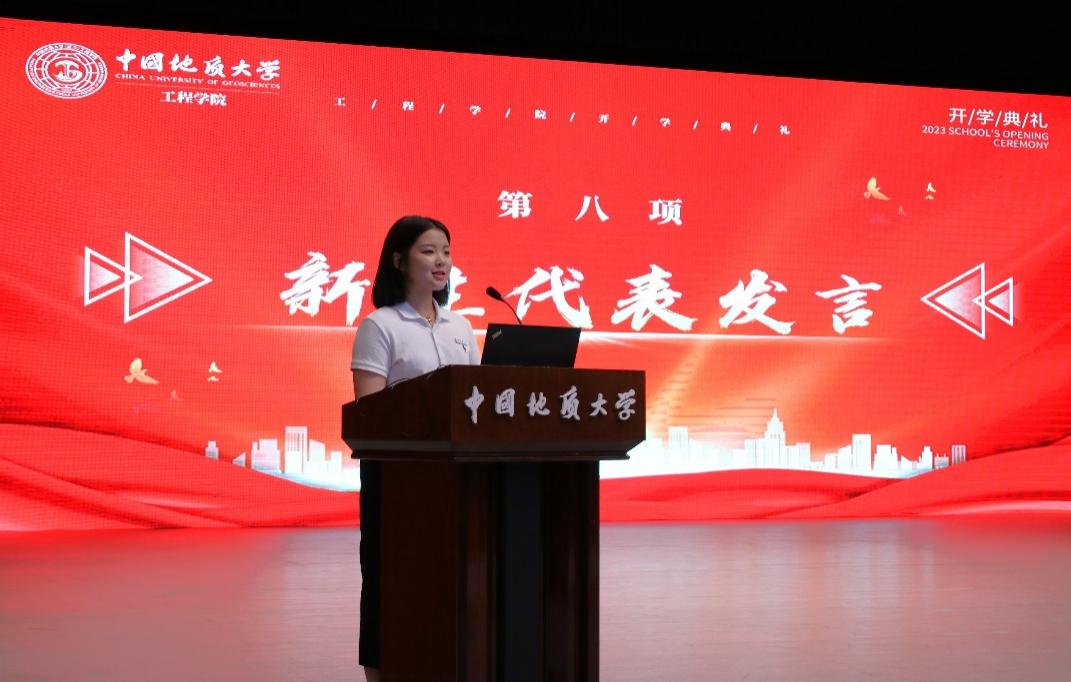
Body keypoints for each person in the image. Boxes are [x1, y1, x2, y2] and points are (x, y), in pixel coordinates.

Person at [350, 215, 481, 673]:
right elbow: (369, 411)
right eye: (428, 251)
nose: (441, 260)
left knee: (450, 583)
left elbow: (476, 402)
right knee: (392, 582)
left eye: (446, 251)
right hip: (398, 480)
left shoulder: (460, 327)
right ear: (399, 260)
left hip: (456, 478)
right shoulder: (380, 326)